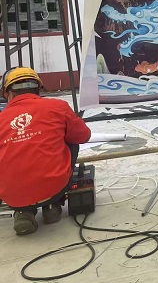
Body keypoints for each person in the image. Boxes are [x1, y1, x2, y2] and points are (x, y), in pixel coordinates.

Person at [0, 67, 91, 235]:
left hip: (11, 195)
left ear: (8, 93)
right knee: (72, 140)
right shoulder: (57, 106)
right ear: (39, 89)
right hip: (54, 186)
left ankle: (23, 212)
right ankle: (52, 204)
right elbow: (84, 135)